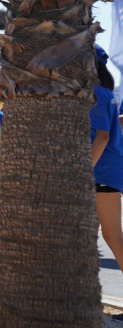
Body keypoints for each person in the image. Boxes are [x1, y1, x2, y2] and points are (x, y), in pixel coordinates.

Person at [90, 45, 123, 274]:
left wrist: (84, 170)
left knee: (112, 236)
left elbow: (103, 136)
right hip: (106, 171)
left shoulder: (97, 94)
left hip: (102, 173)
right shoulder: (104, 92)